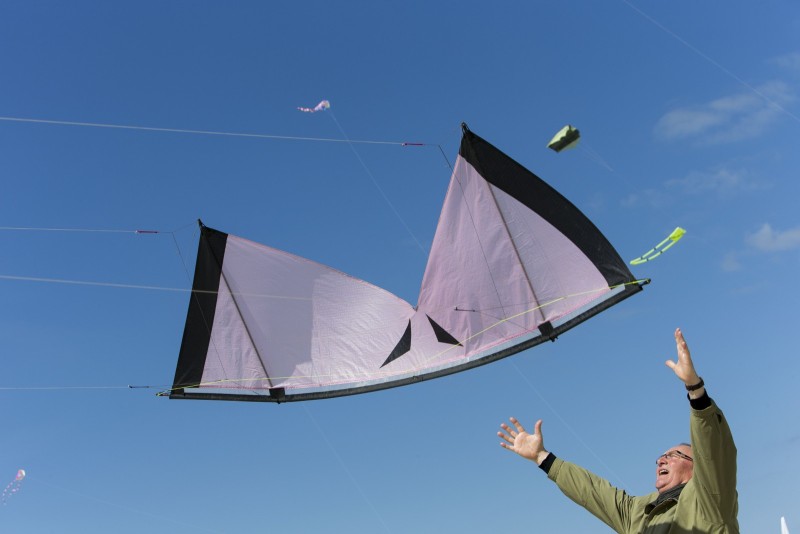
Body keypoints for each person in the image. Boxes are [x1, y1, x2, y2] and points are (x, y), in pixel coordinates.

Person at [497, 328, 739, 533]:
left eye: (674, 455)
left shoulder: (709, 501)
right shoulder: (637, 513)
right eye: (661, 457)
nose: (662, 460)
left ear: (697, 468)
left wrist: (695, 389)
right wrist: (542, 457)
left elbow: (714, 451)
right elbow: (593, 492)